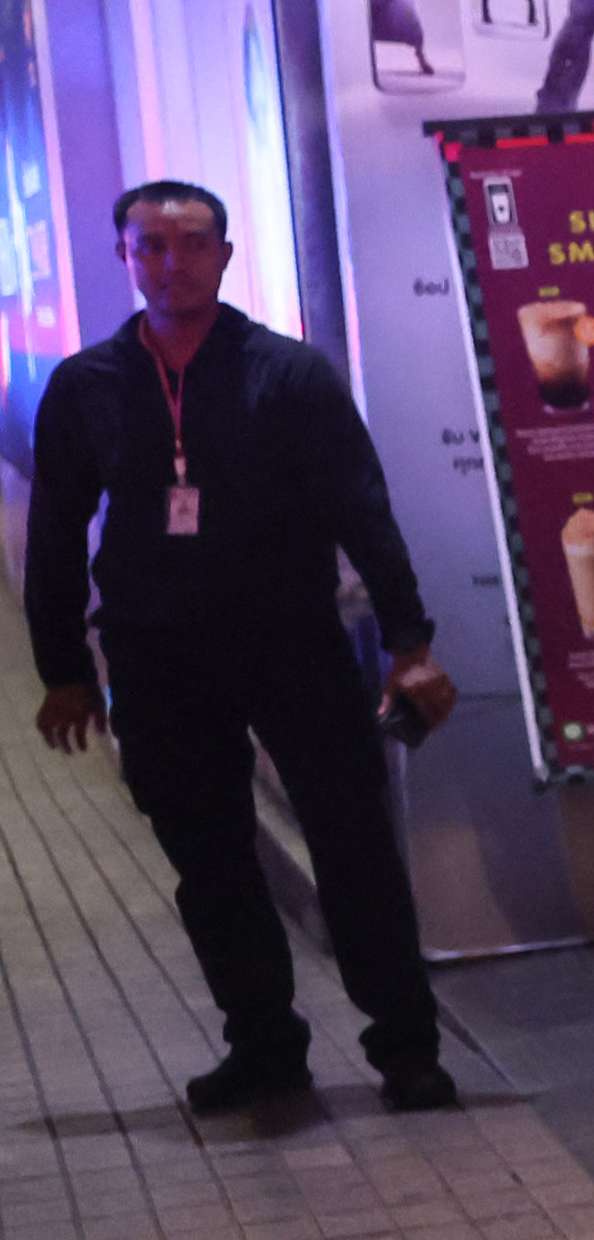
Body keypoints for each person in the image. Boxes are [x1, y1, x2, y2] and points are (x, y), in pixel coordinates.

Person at [26, 183, 461, 1113]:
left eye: (192, 244)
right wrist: (62, 669)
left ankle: (407, 1047)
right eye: (150, 245)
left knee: (352, 843)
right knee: (210, 860)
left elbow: (363, 509)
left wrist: (409, 641)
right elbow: (56, 531)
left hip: (290, 641)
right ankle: (264, 1047)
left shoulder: (289, 375)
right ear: (124, 257)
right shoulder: (86, 386)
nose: (171, 263)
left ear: (225, 255)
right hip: (156, 653)